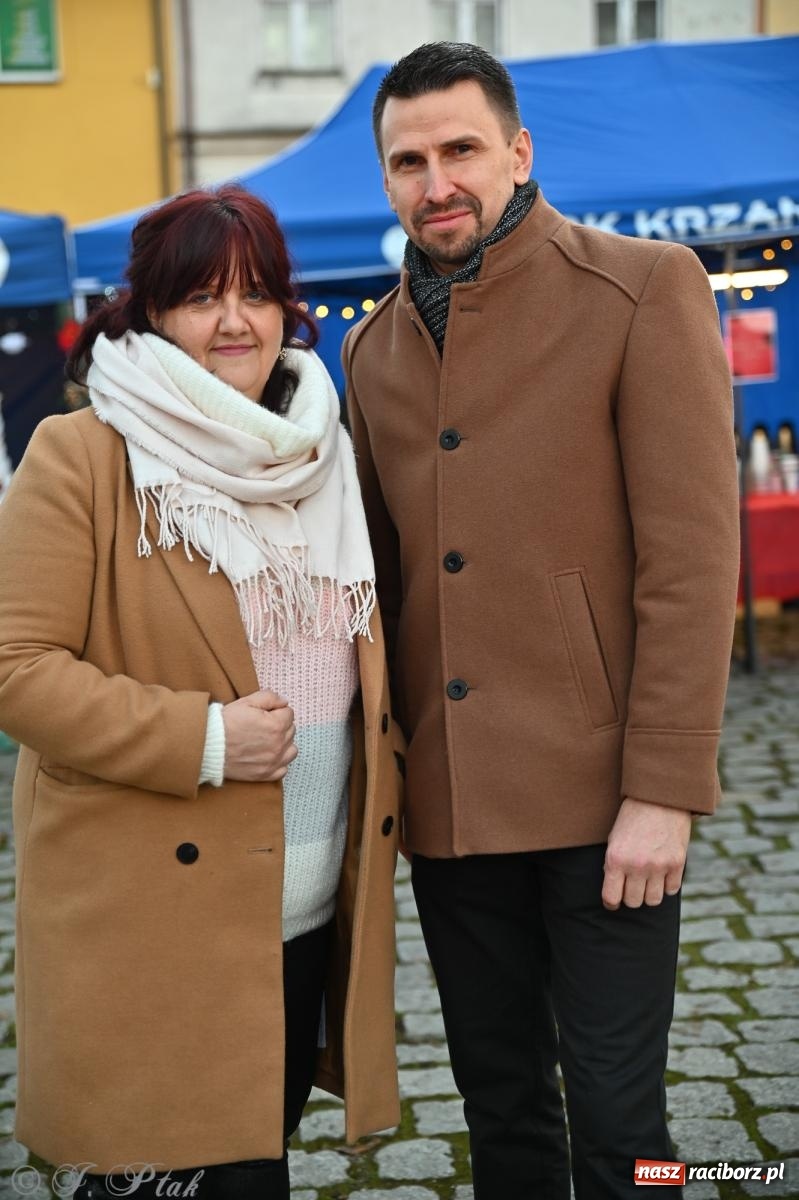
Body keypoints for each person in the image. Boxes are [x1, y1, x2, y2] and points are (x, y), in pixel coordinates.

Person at [343, 42, 740, 1200]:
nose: (436, 183)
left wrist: (663, 791)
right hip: (452, 812)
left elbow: (689, 564)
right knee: (502, 1112)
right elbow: (382, 590)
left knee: (624, 1130)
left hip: (605, 805)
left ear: (517, 153)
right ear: (386, 179)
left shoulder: (643, 286)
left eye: (460, 150)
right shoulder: (367, 350)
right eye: (408, 162)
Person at [0, 185, 402, 1200]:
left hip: (303, 919)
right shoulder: (83, 455)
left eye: (256, 293)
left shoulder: (327, 455)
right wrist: (206, 741)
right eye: (201, 296)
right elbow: (14, 667)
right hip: (157, 923)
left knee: (258, 1155)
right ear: (149, 311)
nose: (234, 321)